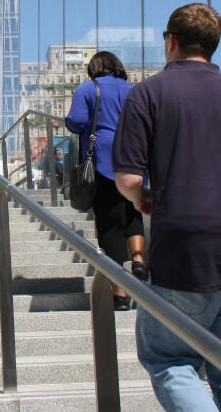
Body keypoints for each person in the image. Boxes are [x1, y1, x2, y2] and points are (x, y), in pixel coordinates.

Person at [113, 3, 221, 412]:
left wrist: (143, 199)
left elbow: (129, 180)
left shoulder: (148, 94)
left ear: (171, 41)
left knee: (169, 359)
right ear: (212, 46)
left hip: (186, 250)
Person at [65, 51, 144, 311]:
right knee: (132, 210)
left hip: (103, 161)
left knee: (109, 225)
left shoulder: (88, 89)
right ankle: (139, 258)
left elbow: (76, 122)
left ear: (93, 68)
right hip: (133, 157)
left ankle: (120, 295)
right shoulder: (133, 89)